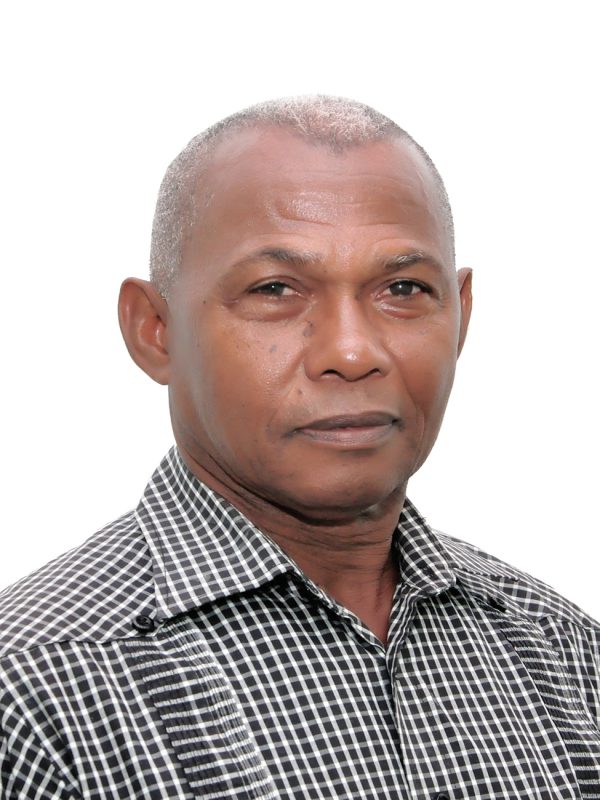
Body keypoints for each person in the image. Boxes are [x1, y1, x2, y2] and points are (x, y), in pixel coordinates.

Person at [1, 96, 599, 800]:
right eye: (276, 289)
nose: (351, 351)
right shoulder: (34, 691)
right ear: (154, 330)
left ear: (460, 316)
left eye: (403, 288)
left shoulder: (566, 655)